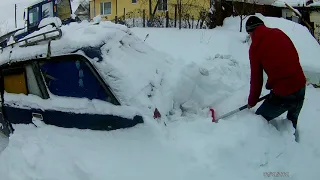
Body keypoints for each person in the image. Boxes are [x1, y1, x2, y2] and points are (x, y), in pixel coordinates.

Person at [245, 16, 306, 142]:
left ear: (251, 32)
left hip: (284, 93)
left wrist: (252, 101)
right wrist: (275, 83)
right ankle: (295, 148)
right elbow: (291, 57)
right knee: (291, 125)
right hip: (300, 85)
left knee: (258, 120)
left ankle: (273, 151)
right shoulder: (278, 32)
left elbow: (256, 79)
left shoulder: (255, 48)